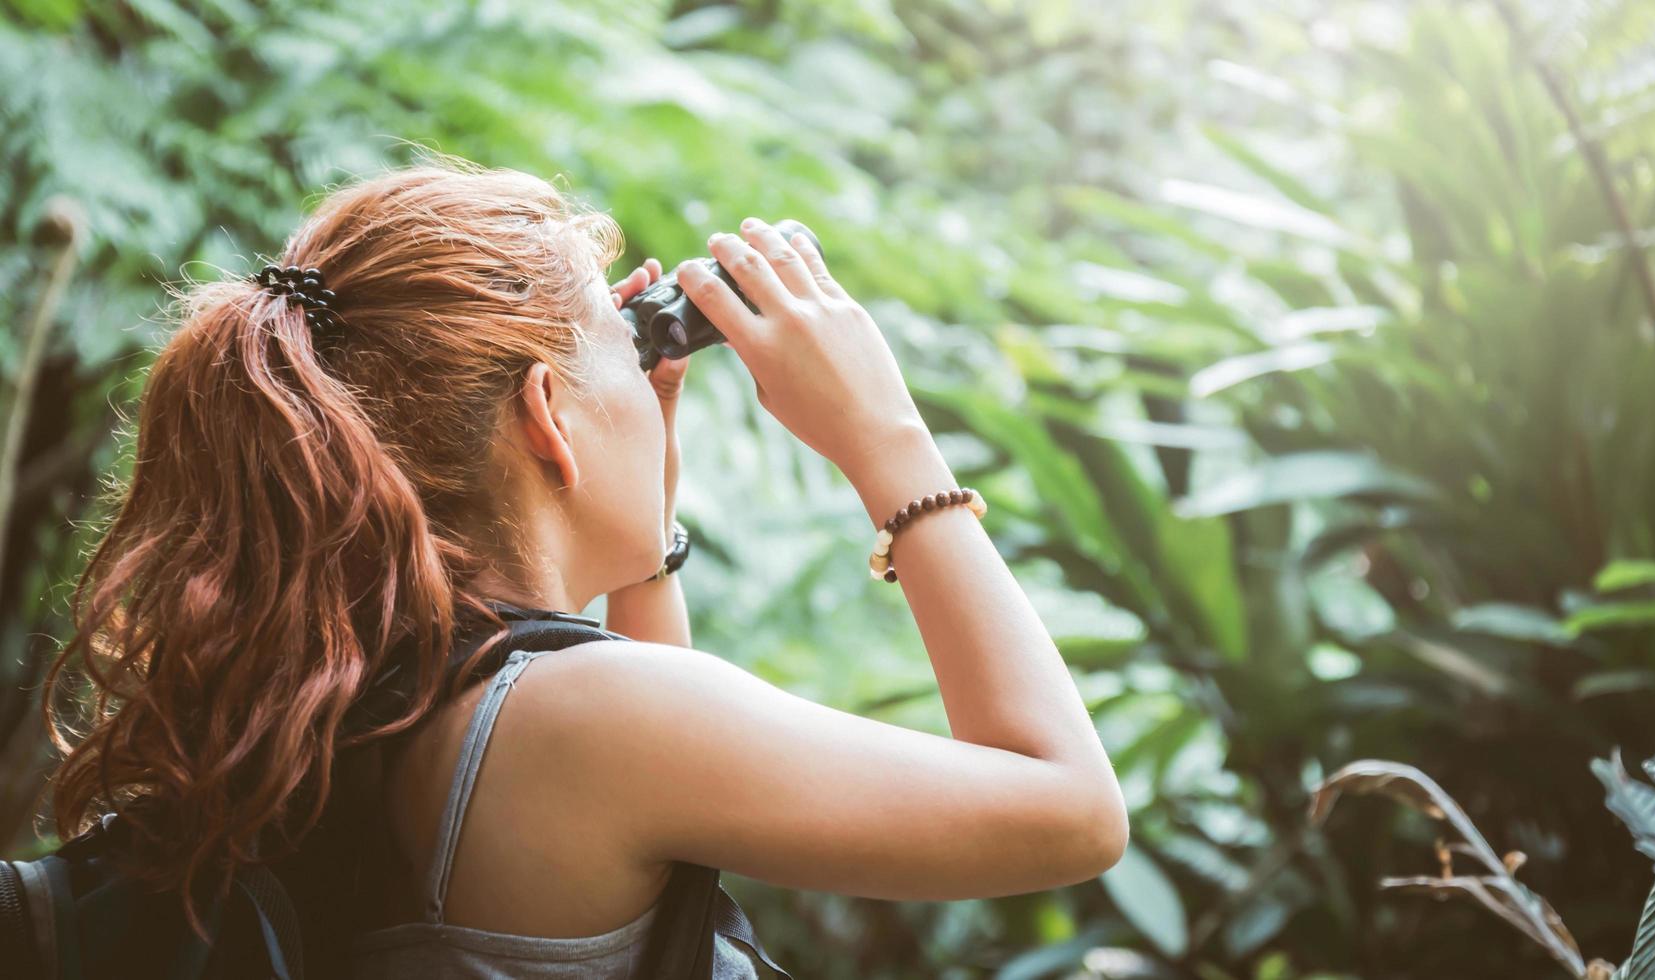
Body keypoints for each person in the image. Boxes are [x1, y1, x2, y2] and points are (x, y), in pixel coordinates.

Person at [41, 154, 1128, 977]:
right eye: (623, 344)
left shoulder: (376, 690)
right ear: (549, 416)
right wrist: (887, 434)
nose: (648, 370)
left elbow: (646, 836)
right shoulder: (573, 722)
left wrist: (639, 536)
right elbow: (1071, 811)